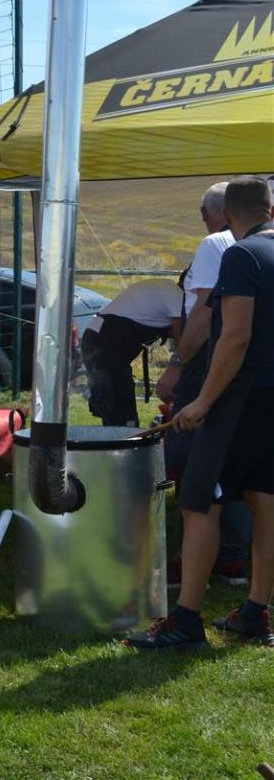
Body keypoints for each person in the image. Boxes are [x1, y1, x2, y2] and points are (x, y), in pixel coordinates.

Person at [127, 176, 274, 651]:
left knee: (197, 502)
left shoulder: (242, 255)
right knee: (265, 501)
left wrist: (203, 401)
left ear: (227, 215)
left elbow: (235, 336)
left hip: (240, 400)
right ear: (271, 210)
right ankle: (255, 612)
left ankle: (187, 622)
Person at [158, 182, 250, 587]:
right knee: (238, 464)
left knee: (197, 466)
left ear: (217, 213)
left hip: (209, 365)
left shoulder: (216, 244)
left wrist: (177, 365)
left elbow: (204, 313)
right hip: (244, 371)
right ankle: (232, 558)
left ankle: (196, 560)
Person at [80, 278, 181, 427]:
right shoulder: (176, 297)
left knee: (117, 406)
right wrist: (174, 372)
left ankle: (120, 433)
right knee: (121, 409)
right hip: (102, 343)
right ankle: (124, 437)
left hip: (99, 337)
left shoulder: (166, 292)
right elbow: (185, 340)